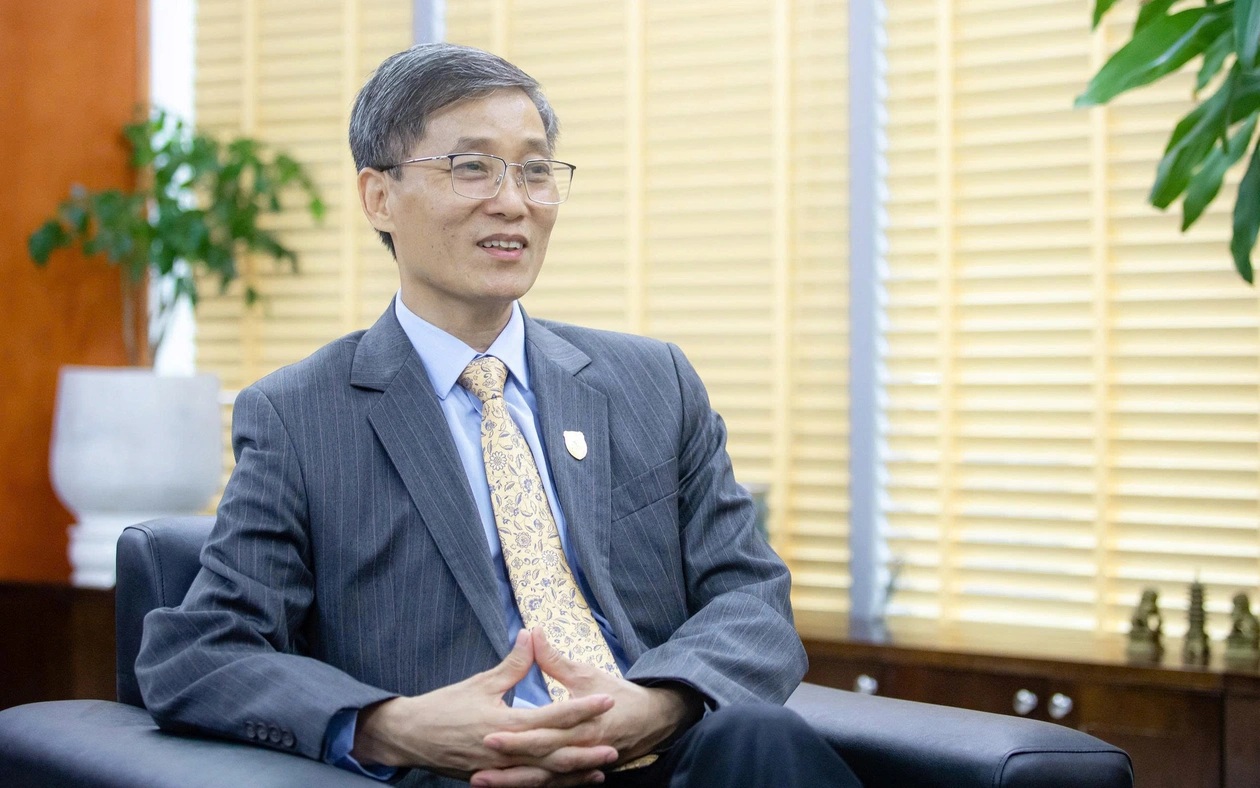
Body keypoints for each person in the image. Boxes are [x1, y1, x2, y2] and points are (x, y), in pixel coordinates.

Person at [135, 42, 860, 788]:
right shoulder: (301, 418)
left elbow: (751, 599)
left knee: (759, 738)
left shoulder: (654, 382)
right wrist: (395, 728)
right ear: (378, 196)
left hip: (664, 758)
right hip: (470, 777)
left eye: (535, 170)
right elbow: (200, 653)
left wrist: (656, 705)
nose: (513, 201)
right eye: (472, 167)